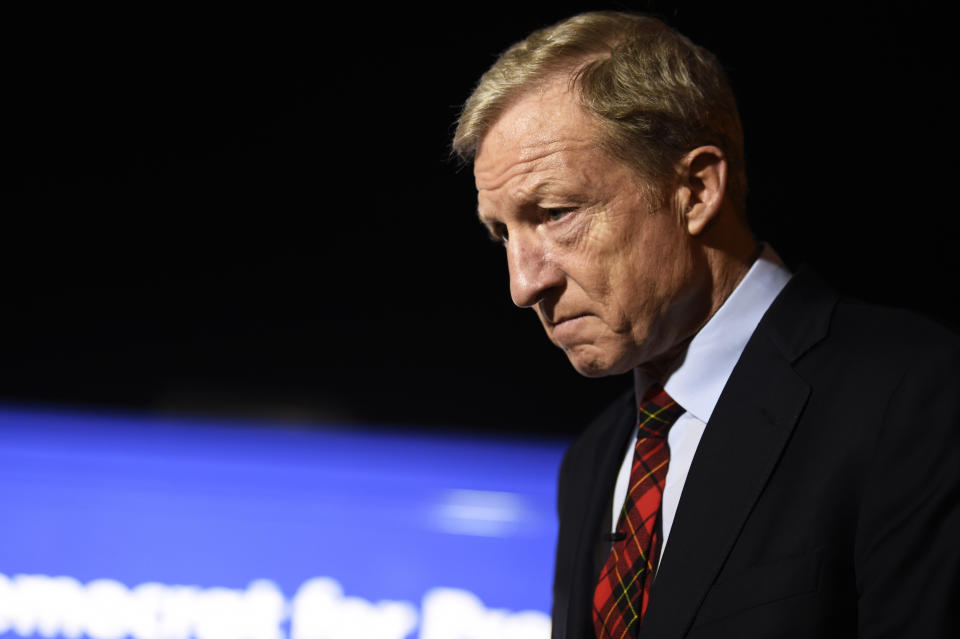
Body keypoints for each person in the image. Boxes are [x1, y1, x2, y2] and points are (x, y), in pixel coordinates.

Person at [452, 11, 960, 639]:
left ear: (695, 190)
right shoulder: (593, 461)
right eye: (502, 233)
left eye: (556, 213)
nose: (524, 284)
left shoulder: (915, 396)